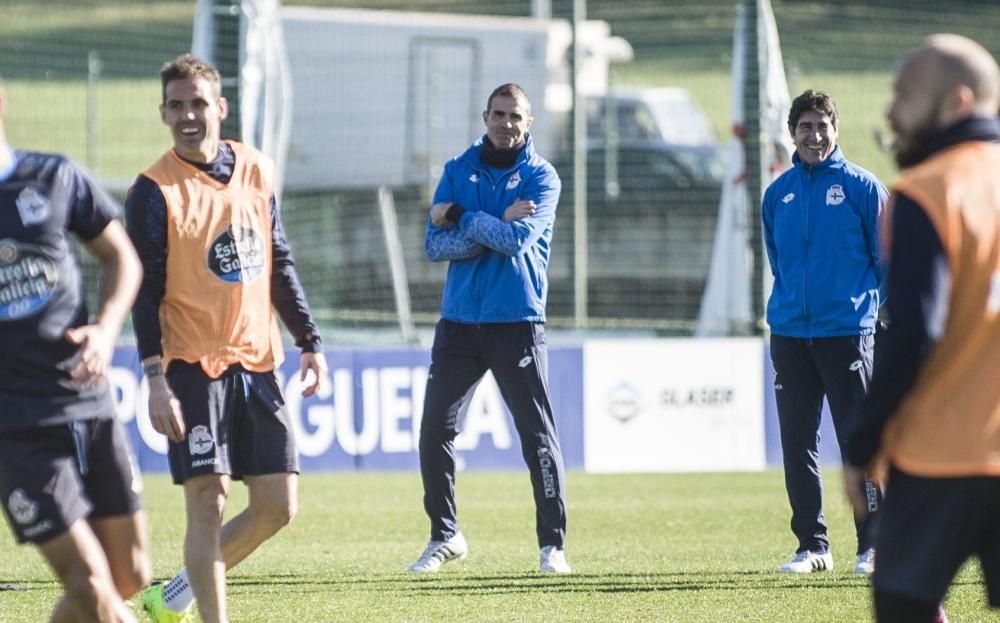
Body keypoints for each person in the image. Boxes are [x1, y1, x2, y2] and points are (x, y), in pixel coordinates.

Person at [126, 54, 327, 623]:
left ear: (221, 107)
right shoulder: (152, 191)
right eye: (176, 105)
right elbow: (143, 293)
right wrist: (155, 379)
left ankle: (173, 600)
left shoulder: (257, 167)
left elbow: (279, 260)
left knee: (276, 507)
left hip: (259, 363)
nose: (188, 115)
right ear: (163, 113)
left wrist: (310, 340)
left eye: (198, 103)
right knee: (207, 504)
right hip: (191, 366)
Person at [844, 33, 1000, 623]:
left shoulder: (928, 191)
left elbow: (913, 332)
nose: (889, 110)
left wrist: (863, 445)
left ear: (957, 102)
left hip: (941, 460)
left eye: (904, 94)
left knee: (906, 606)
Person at [0, 79, 149, 622]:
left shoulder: (54, 176)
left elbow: (123, 258)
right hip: (15, 426)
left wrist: (107, 330)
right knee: (89, 581)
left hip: (87, 401)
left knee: (128, 575)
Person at [408, 83, 569, 574]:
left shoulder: (542, 178)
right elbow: (434, 247)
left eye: (515, 116)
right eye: (498, 114)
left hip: (516, 322)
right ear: (485, 117)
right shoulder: (458, 169)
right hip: (458, 323)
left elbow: (517, 241)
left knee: (536, 435)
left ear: (529, 122)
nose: (506, 123)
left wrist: (463, 216)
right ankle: (445, 535)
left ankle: (552, 546)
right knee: (435, 429)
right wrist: (490, 224)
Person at [762, 89, 888, 574]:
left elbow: (888, 262)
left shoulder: (863, 187)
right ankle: (812, 547)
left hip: (848, 333)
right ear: (792, 133)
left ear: (836, 129)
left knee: (859, 443)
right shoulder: (778, 193)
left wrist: (861, 309)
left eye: (822, 126)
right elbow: (778, 259)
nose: (814, 136)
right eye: (805, 127)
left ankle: (873, 545)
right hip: (791, 334)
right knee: (797, 442)